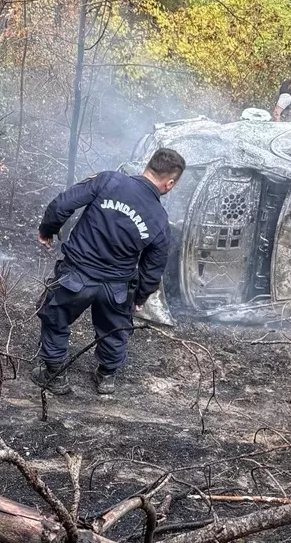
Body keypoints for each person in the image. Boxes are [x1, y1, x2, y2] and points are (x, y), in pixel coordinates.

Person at [33, 148, 185, 396]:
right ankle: (106, 377)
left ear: (148, 167)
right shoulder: (159, 218)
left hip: (76, 276)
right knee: (114, 330)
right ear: (169, 184)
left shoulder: (109, 181)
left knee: (55, 317)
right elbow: (154, 266)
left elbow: (62, 204)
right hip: (116, 288)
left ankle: (54, 374)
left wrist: (47, 230)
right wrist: (141, 296)